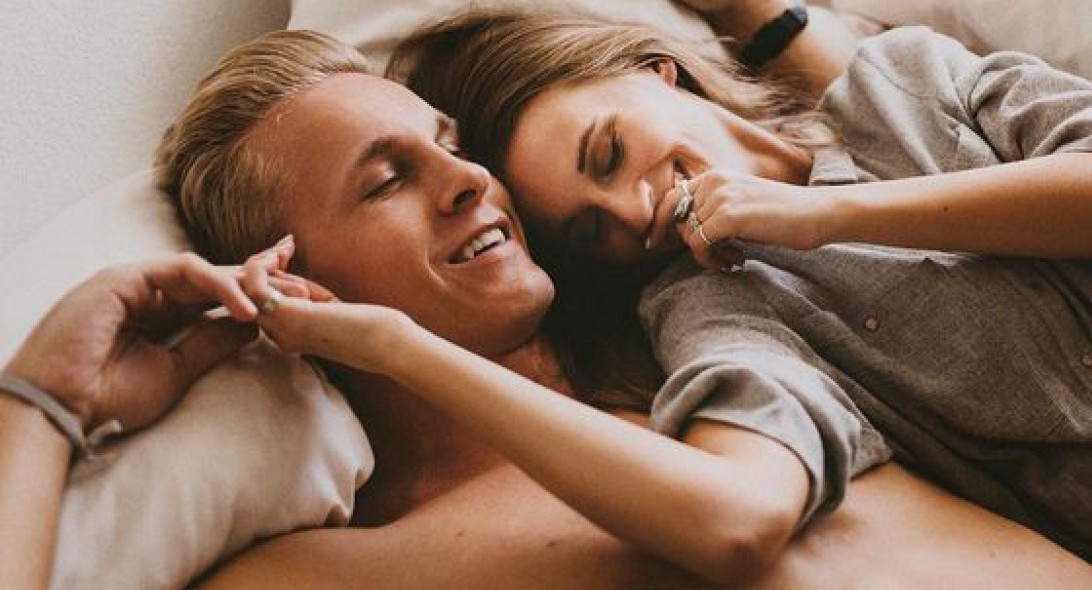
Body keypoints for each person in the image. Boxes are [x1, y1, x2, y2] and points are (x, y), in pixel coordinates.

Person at [146, 24, 1092, 589]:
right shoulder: (715, 322)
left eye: (452, 145)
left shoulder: (663, 365)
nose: (470, 180)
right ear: (289, 277)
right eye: (388, 180)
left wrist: (759, 26)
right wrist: (65, 406)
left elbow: (867, 117)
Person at [387, 4, 1092, 561]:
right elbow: (737, 515)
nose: (634, 211)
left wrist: (829, 214)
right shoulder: (714, 303)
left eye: (609, 153)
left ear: (655, 70)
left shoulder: (903, 82)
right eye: (592, 230)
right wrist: (399, 348)